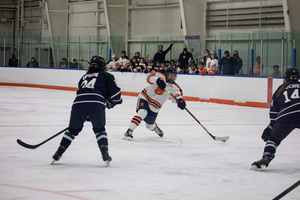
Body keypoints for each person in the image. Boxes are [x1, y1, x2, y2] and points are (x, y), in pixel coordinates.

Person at [52, 55, 122, 166]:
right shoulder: (106, 75)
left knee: (72, 131)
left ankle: (58, 152)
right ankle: (104, 153)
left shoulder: (84, 77)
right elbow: (116, 95)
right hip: (96, 104)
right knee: (99, 130)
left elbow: (82, 91)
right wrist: (112, 103)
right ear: (103, 65)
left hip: (78, 105)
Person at [251, 67, 300, 171]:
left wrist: (270, 127)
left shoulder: (280, 89)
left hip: (286, 117)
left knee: (273, 140)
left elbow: (274, 112)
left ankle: (266, 159)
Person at [123, 66, 186, 140]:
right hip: (145, 97)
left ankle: (156, 128)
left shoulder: (175, 87)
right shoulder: (159, 75)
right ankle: (129, 131)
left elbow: (177, 96)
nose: (172, 77)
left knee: (149, 125)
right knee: (142, 112)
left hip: (156, 106)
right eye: (170, 75)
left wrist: (180, 101)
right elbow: (149, 78)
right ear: (166, 74)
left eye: (174, 75)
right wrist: (157, 80)